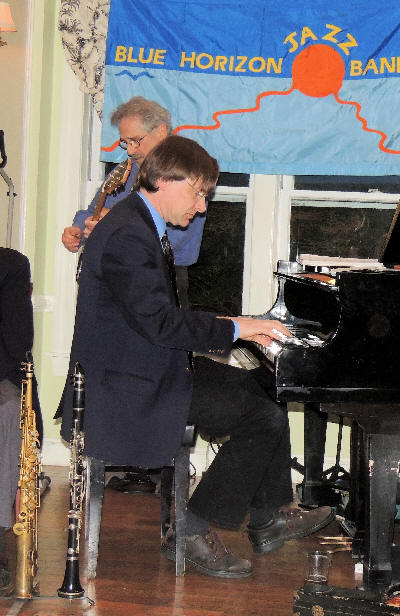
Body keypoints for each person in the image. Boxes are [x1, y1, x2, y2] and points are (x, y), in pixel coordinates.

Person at [56, 135, 334, 579]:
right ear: (165, 179)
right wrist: (239, 328)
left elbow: (155, 317)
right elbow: (162, 325)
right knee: (260, 419)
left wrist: (236, 323)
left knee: (262, 393)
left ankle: (267, 517)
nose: (202, 207)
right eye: (199, 192)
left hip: (145, 364)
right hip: (125, 384)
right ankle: (191, 529)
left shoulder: (139, 223)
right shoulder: (129, 233)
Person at [62, 96, 205, 306]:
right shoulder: (123, 172)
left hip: (160, 276)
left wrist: (112, 224)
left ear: (161, 132)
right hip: (113, 277)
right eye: (125, 142)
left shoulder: (185, 174)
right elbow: (95, 210)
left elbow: (176, 238)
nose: (130, 150)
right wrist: (78, 229)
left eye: (136, 140)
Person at [0, 248, 43, 592]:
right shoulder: (12, 266)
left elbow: (18, 345)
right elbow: (19, 342)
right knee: (9, 412)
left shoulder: (11, 265)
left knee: (9, 412)